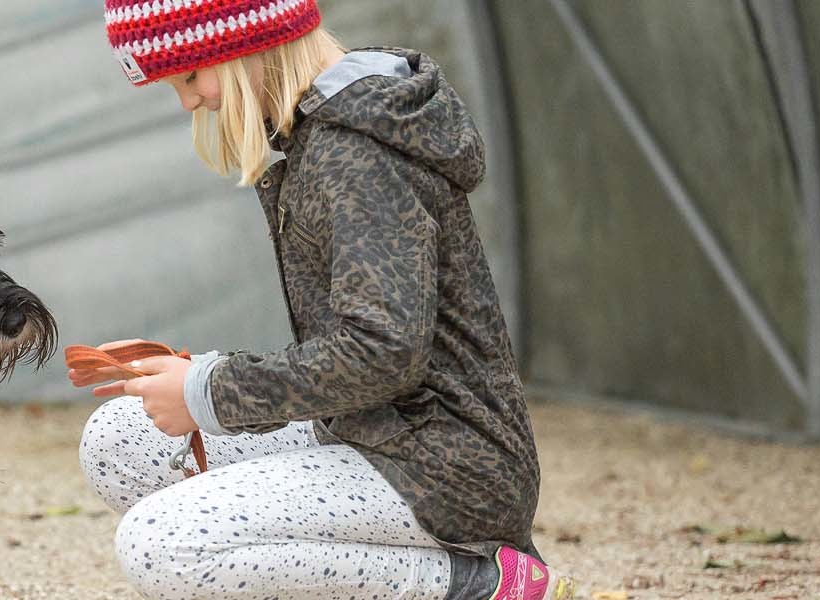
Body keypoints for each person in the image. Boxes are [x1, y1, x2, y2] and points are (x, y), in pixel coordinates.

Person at [69, 1, 572, 598]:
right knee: (119, 442)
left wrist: (211, 390)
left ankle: (482, 584)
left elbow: (383, 352)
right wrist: (196, 382)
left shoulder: (358, 153)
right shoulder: (320, 133)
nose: (189, 102)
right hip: (374, 429)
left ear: (244, 43)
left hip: (443, 465)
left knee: (163, 544)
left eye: (189, 76)